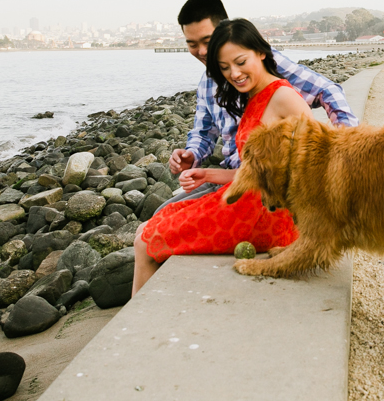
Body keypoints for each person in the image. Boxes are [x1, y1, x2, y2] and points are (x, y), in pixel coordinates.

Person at [132, 19, 312, 294]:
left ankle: (135, 331)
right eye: (225, 68)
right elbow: (262, 173)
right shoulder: (256, 95)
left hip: (265, 216)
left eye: (240, 62)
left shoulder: (283, 97)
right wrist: (208, 173)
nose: (234, 74)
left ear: (261, 52)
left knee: (145, 242)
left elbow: (313, 166)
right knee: (153, 222)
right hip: (249, 202)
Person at [164, 0, 357, 211]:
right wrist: (192, 155)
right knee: (159, 215)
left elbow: (327, 91)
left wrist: (346, 153)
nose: (201, 51)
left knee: (159, 231)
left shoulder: (258, 63)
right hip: (229, 176)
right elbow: (203, 132)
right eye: (192, 44)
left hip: (262, 189)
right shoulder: (208, 82)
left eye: (207, 42)